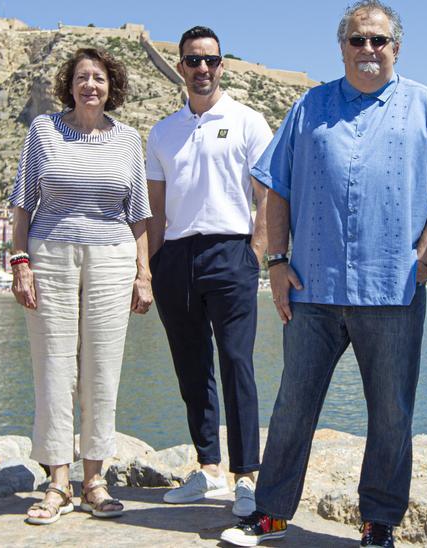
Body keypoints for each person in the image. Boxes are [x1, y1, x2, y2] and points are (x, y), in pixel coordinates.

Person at [219, 2, 427, 546]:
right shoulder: (309, 107)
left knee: (390, 414)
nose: (368, 50)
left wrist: (425, 259)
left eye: (379, 41)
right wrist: (276, 261)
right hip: (313, 287)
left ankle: (378, 522)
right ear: (342, 47)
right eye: (358, 40)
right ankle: (271, 513)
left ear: (396, 48)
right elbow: (274, 185)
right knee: (293, 405)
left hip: (393, 289)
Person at [7, 47, 154, 525]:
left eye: (99, 78)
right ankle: (56, 483)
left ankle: (94, 480)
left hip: (112, 258)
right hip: (50, 255)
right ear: (68, 85)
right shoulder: (43, 131)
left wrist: (143, 273)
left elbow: (138, 215)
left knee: (102, 369)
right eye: (82, 77)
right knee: (53, 367)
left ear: (112, 87)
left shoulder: (130, 139)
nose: (91, 85)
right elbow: (23, 203)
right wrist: (21, 261)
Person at [145, 25, 273, 517]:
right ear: (180, 67)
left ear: (222, 66)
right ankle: (207, 467)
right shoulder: (162, 132)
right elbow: (154, 209)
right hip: (175, 257)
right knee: (191, 366)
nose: (202, 69)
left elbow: (266, 196)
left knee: (237, 362)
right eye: (193, 61)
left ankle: (246, 476)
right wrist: (151, 266)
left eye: (211, 61)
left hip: (231, 253)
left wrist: (254, 253)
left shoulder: (248, 122)